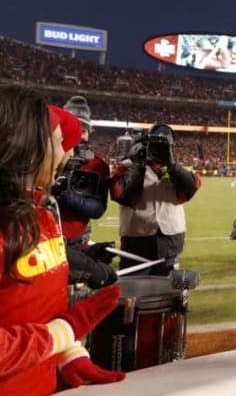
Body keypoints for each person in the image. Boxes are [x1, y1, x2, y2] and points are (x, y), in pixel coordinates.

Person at [0, 85, 124, 394]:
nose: (67, 154)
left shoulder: (41, 214)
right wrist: (62, 333)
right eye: (59, 141)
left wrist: (68, 353)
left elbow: (38, 308)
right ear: (29, 146)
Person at [110, 123, 202, 276]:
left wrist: (171, 166)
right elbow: (124, 196)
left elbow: (190, 188)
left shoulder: (176, 168)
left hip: (169, 243)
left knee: (167, 293)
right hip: (136, 243)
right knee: (133, 292)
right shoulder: (127, 166)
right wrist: (138, 165)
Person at [54, 95, 117, 289]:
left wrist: (67, 196)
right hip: (43, 239)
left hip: (74, 241)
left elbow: (97, 208)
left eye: (83, 130)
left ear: (89, 132)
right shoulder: (46, 156)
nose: (79, 135)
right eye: (72, 127)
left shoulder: (97, 165)